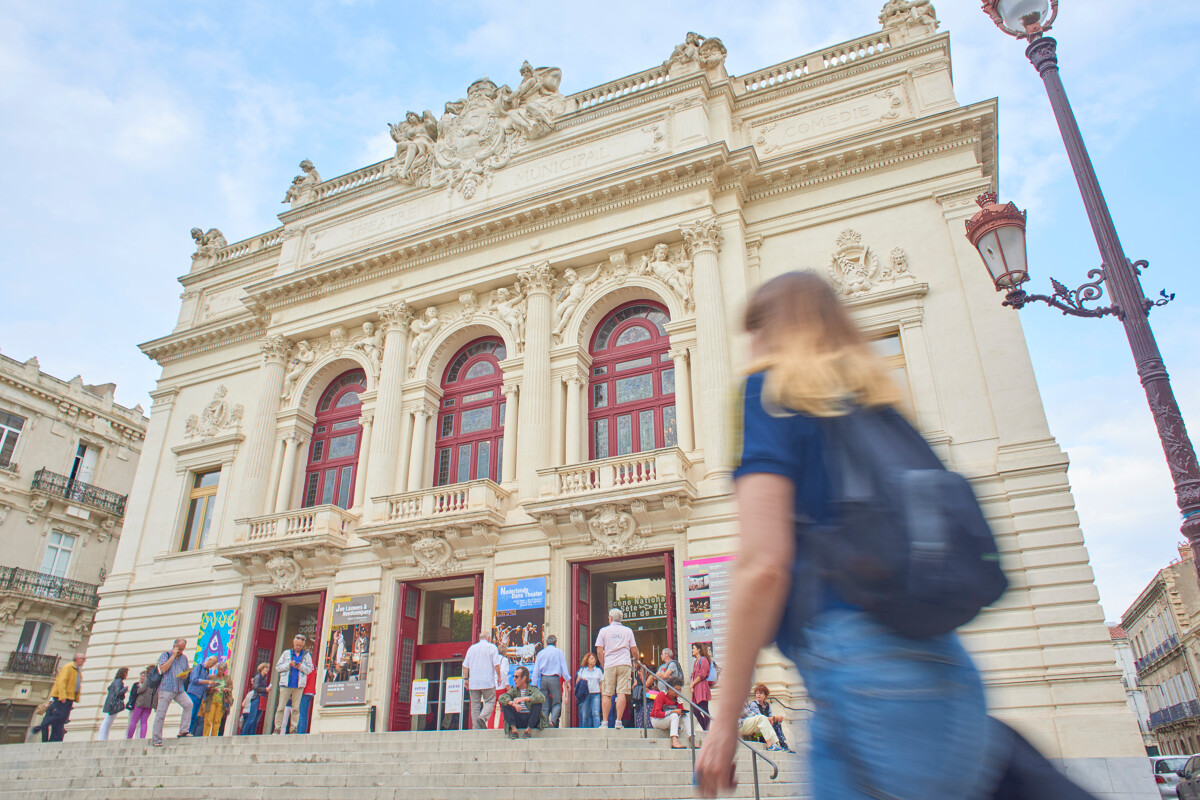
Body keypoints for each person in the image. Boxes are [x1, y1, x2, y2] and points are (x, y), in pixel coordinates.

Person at [694, 271, 1001, 799]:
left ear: (775, 330)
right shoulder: (875, 403)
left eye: (757, 332)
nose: (752, 347)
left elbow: (763, 564)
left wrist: (724, 720)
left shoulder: (768, 391)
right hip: (943, 664)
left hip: (859, 667)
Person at [595, 607, 639, 729]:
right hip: (624, 663)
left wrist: (603, 663)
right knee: (622, 693)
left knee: (607, 693)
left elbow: (599, 650)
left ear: (610, 618)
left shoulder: (604, 631)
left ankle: (605, 722)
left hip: (609, 664)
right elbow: (634, 649)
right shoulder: (628, 631)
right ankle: (618, 722)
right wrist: (636, 660)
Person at [32, 653, 85, 742]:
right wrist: (62, 696)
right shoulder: (68, 667)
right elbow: (61, 682)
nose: (84, 660)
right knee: (60, 715)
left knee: (61, 720)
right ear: (77, 658)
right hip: (63, 697)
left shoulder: (77, 670)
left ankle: (55, 740)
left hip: (70, 698)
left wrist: (75, 698)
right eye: (83, 658)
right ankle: (39, 727)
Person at [151, 638, 193, 746]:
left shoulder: (184, 658)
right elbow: (163, 669)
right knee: (161, 714)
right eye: (179, 649)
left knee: (189, 704)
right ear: (174, 646)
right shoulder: (165, 655)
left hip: (179, 688)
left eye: (182, 650)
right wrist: (173, 656)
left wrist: (185, 675)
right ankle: (156, 739)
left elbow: (185, 671)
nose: (180, 652)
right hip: (167, 688)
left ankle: (183, 730)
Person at [463, 631, 503, 730]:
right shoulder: (492, 647)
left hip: (474, 682)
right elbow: (496, 664)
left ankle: (476, 728)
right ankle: (483, 717)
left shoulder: (472, 648)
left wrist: (466, 679)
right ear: (489, 638)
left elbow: (465, 666)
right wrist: (499, 676)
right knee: (490, 701)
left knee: (475, 706)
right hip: (487, 681)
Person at [274, 634, 313, 734]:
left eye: (300, 646)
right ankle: (277, 727)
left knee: (296, 708)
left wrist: (300, 666)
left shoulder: (306, 655)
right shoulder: (286, 653)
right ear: (293, 643)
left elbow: (309, 669)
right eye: (297, 645)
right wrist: (288, 665)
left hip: (298, 685)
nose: (298, 648)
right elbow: (278, 667)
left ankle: (293, 728)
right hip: (286, 684)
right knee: (281, 707)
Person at [498, 666, 545, 739]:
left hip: (530, 719)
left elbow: (542, 698)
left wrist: (524, 698)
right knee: (506, 704)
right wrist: (513, 704)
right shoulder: (514, 690)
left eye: (516, 677)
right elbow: (502, 698)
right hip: (518, 719)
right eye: (513, 677)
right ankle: (514, 730)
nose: (514, 679)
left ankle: (528, 730)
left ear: (524, 678)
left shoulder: (532, 689)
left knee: (537, 704)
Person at [533, 634, 570, 727]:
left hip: (544, 679)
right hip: (554, 678)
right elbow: (564, 668)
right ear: (555, 643)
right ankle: (553, 721)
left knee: (544, 704)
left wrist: (534, 684)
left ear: (546, 642)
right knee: (556, 702)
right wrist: (567, 680)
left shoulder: (541, 653)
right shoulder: (559, 652)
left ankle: (545, 723)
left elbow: (536, 670)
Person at [649, 677, 695, 749]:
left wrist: (680, 699)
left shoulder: (677, 697)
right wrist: (672, 711)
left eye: (679, 690)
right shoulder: (662, 695)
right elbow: (656, 713)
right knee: (674, 715)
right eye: (676, 690)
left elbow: (681, 710)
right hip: (657, 720)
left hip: (669, 720)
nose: (677, 692)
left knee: (685, 716)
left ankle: (692, 738)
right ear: (669, 689)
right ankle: (674, 740)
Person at [751, 684, 791, 753]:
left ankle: (781, 743)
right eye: (757, 693)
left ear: (765, 696)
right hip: (757, 731)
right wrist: (774, 718)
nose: (758, 695)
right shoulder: (754, 704)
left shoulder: (767, 705)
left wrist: (775, 719)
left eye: (761, 693)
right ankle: (778, 743)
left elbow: (770, 716)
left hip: (766, 727)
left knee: (777, 723)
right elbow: (759, 718)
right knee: (773, 721)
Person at [186, 655, 218, 736]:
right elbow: (194, 680)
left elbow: (204, 685)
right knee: (191, 714)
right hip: (193, 693)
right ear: (209, 660)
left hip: (200, 696)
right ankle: (186, 730)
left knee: (195, 716)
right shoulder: (198, 667)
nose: (213, 665)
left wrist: (211, 687)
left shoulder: (207, 671)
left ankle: (190, 732)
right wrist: (207, 682)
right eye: (213, 663)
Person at [201, 661, 233, 737]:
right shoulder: (212, 677)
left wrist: (226, 689)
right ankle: (205, 736)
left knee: (217, 721)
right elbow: (206, 688)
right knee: (208, 720)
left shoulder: (227, 678)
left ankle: (214, 737)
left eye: (222, 670)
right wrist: (212, 689)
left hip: (221, 701)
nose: (220, 671)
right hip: (212, 700)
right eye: (219, 669)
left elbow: (231, 687)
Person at [97, 667, 128, 740]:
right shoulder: (119, 681)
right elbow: (118, 692)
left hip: (110, 702)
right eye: (126, 673)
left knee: (108, 721)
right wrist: (125, 689)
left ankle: (103, 737)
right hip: (114, 703)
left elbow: (109, 688)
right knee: (108, 721)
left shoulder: (115, 681)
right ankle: (102, 738)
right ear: (123, 674)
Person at [240, 662, 271, 735]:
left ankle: (252, 734)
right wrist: (265, 689)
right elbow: (255, 687)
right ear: (262, 669)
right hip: (257, 699)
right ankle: (244, 734)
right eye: (266, 668)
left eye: (268, 668)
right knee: (251, 718)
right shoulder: (258, 677)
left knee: (256, 719)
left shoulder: (263, 678)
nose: (267, 669)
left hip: (261, 699)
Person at [126, 668, 156, 739]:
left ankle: (129, 737)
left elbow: (142, 689)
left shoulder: (147, 679)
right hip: (149, 703)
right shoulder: (155, 681)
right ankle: (142, 737)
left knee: (134, 720)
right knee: (144, 721)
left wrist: (138, 689)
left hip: (140, 702)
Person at [575, 653, 603, 728]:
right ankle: (585, 731)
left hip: (596, 694)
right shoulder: (582, 670)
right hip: (585, 694)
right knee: (585, 714)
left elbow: (601, 684)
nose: (594, 660)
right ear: (587, 660)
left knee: (596, 713)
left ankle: (597, 731)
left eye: (594, 658)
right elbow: (577, 682)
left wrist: (602, 695)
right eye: (592, 658)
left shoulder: (598, 671)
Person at [689, 643, 713, 731]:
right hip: (696, 688)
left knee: (703, 709)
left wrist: (692, 684)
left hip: (702, 687)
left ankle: (707, 731)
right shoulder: (696, 662)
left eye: (694, 648)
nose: (692, 650)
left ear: (699, 650)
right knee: (695, 710)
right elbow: (693, 675)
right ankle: (706, 730)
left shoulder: (703, 660)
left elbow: (702, 674)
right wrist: (692, 685)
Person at [296, 658, 318, 734]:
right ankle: (301, 731)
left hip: (305, 691)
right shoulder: (313, 667)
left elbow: (304, 680)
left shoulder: (306, 667)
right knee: (304, 713)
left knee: (302, 713)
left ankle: (300, 732)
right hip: (311, 691)